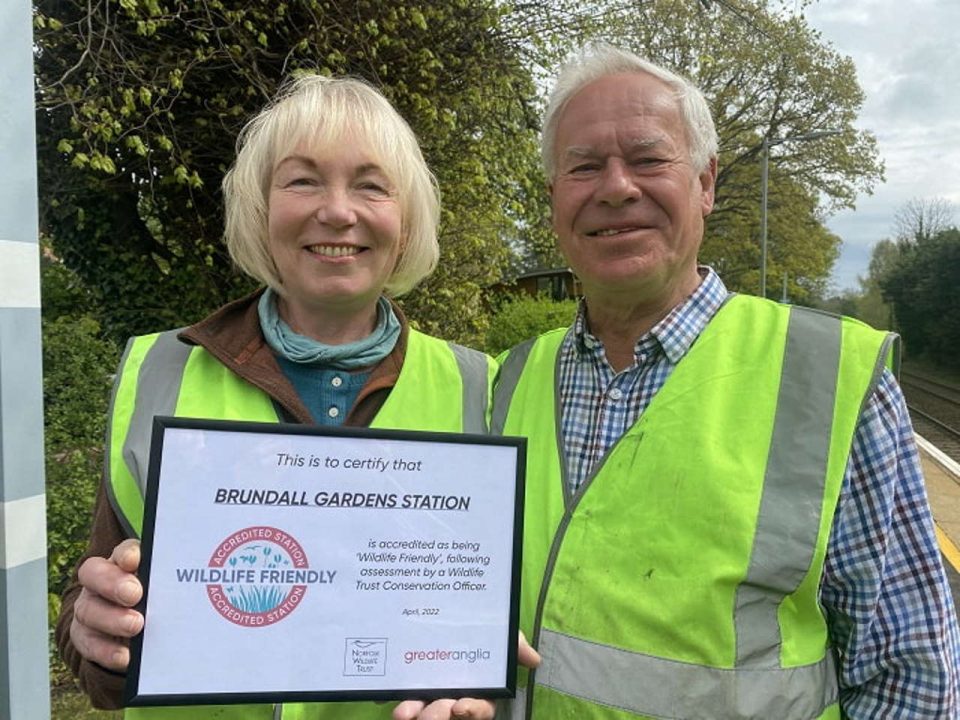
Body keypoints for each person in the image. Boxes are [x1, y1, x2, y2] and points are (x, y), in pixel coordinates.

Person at [491, 45, 960, 718]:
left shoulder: (825, 379)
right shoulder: (506, 381)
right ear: (553, 199)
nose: (617, 187)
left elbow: (910, 675)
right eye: (584, 166)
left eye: (649, 159)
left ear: (706, 183)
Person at [56, 74, 510, 720]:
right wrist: (97, 636)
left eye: (371, 185)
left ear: (405, 223)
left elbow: (489, 620)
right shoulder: (157, 370)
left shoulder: (481, 389)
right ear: (260, 211)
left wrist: (473, 687)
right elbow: (95, 604)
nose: (338, 210)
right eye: (302, 180)